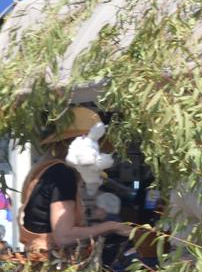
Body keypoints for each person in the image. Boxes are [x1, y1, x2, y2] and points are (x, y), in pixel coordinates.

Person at [20, 107, 133, 253]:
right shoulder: (62, 174)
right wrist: (112, 226)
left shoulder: (44, 170)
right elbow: (64, 236)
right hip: (54, 263)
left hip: (37, 257)